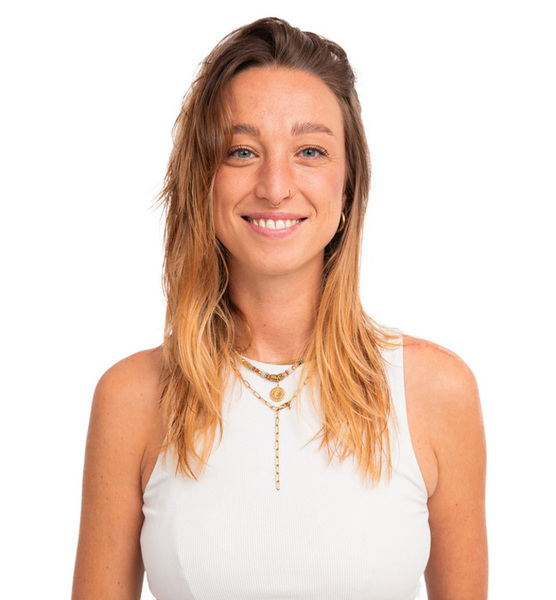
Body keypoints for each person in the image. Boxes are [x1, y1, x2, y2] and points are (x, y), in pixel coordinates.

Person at [72, 17, 487, 600]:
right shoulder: (131, 399)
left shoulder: (437, 393)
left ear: (348, 185)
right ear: (203, 180)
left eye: (310, 151)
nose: (274, 185)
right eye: (242, 151)